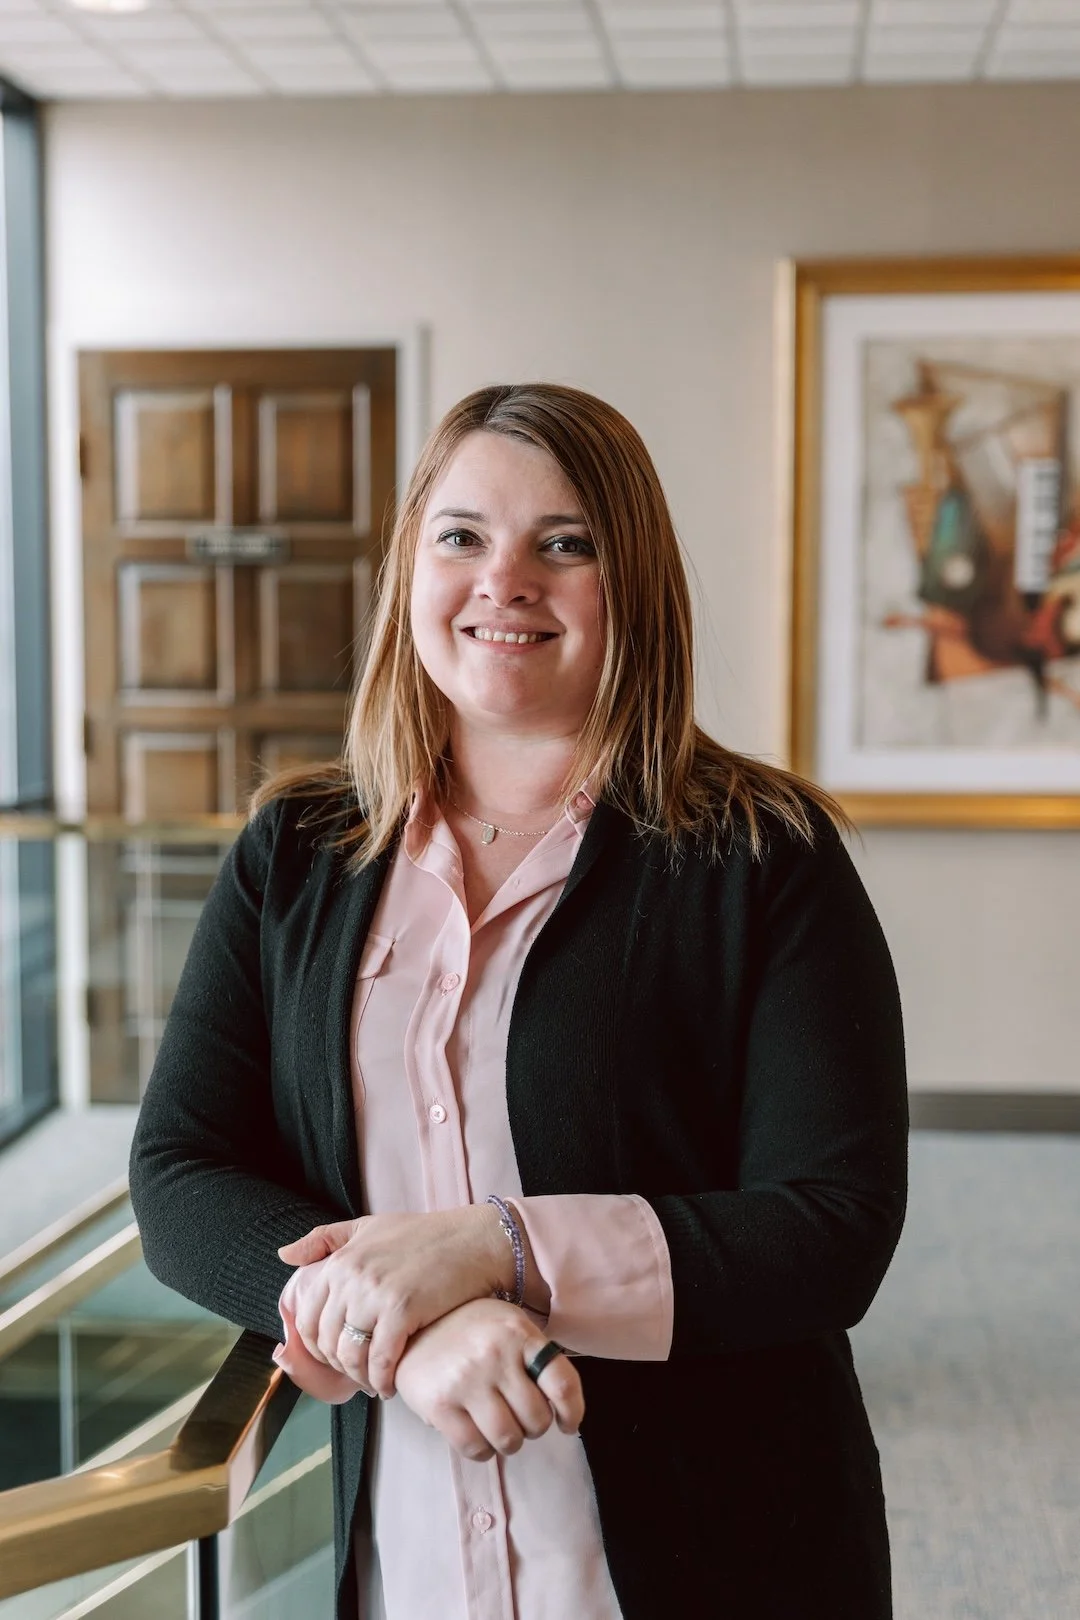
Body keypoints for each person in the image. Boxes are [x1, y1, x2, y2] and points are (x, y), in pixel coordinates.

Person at [129, 382, 908, 1620]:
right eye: (462, 537)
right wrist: (411, 1328)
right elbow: (180, 1171)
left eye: (565, 543)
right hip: (415, 1549)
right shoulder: (297, 850)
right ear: (411, 573)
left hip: (719, 1548)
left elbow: (832, 1226)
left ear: (630, 583)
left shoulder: (765, 854)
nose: (506, 581)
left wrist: (498, 1250)